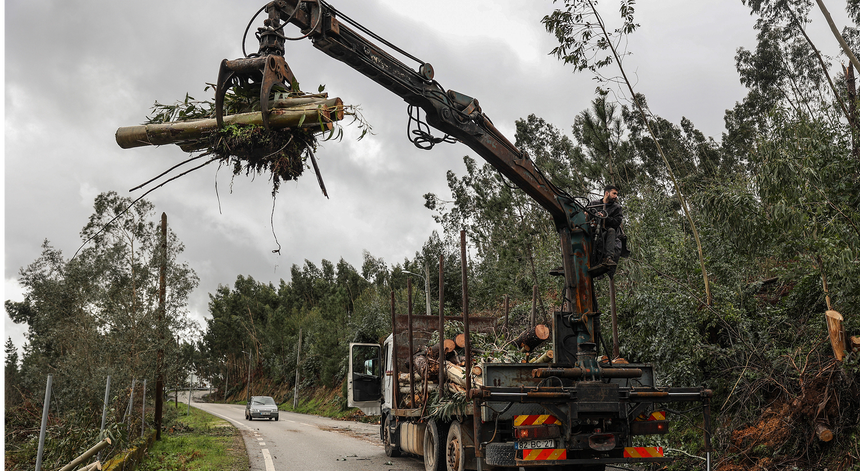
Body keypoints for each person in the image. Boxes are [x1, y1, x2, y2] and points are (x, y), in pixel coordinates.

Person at [588, 184, 627, 276]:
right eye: (614, 193)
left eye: (616, 194)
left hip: (606, 232)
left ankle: (608, 258)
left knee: (611, 231)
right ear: (606, 193)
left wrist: (605, 217)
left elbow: (617, 222)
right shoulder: (594, 204)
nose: (616, 196)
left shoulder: (617, 208)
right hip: (593, 231)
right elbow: (586, 214)